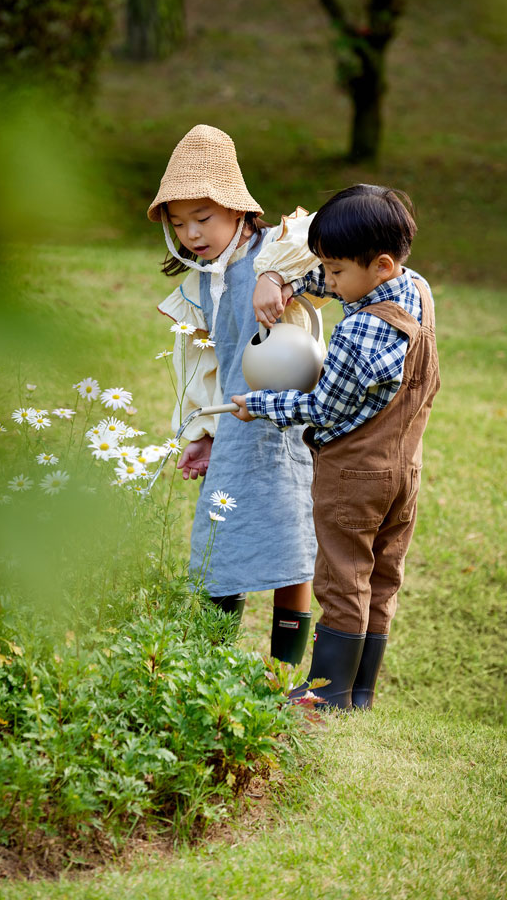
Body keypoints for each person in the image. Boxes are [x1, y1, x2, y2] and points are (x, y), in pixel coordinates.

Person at [229, 183, 438, 709]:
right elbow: (336, 276)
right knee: (382, 577)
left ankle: (326, 695)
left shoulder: (359, 333)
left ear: (381, 265)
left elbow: (323, 408)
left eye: (338, 272)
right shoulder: (414, 289)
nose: (332, 281)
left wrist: (262, 404)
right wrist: (290, 279)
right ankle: (359, 692)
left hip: (354, 475)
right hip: (405, 469)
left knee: (342, 577)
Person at [150, 124, 330, 667]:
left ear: (238, 210)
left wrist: (277, 276)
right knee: (219, 539)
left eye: (203, 218)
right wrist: (202, 435)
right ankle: (209, 668)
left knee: (288, 545)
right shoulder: (204, 278)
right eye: (179, 224)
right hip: (233, 425)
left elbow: (319, 238)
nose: (192, 234)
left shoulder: (274, 250)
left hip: (281, 429)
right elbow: (208, 365)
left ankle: (283, 674)